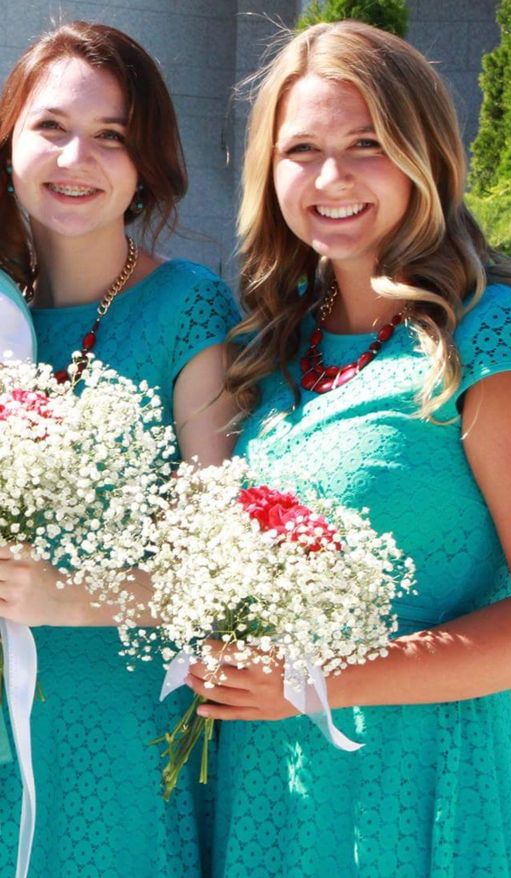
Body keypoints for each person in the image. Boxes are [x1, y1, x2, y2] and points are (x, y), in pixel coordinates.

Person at [186, 20, 511, 877]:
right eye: (301, 149)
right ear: (269, 172)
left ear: (426, 156)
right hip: (267, 789)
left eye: (367, 145)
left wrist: (317, 679)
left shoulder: (494, 334)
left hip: (423, 791)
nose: (331, 177)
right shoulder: (270, 345)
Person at [0, 21, 238, 878]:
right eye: (52, 127)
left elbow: (221, 572)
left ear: (147, 166)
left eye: (112, 137)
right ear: (10, 142)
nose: (77, 159)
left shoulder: (188, 308)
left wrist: (64, 597)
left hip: (119, 727)